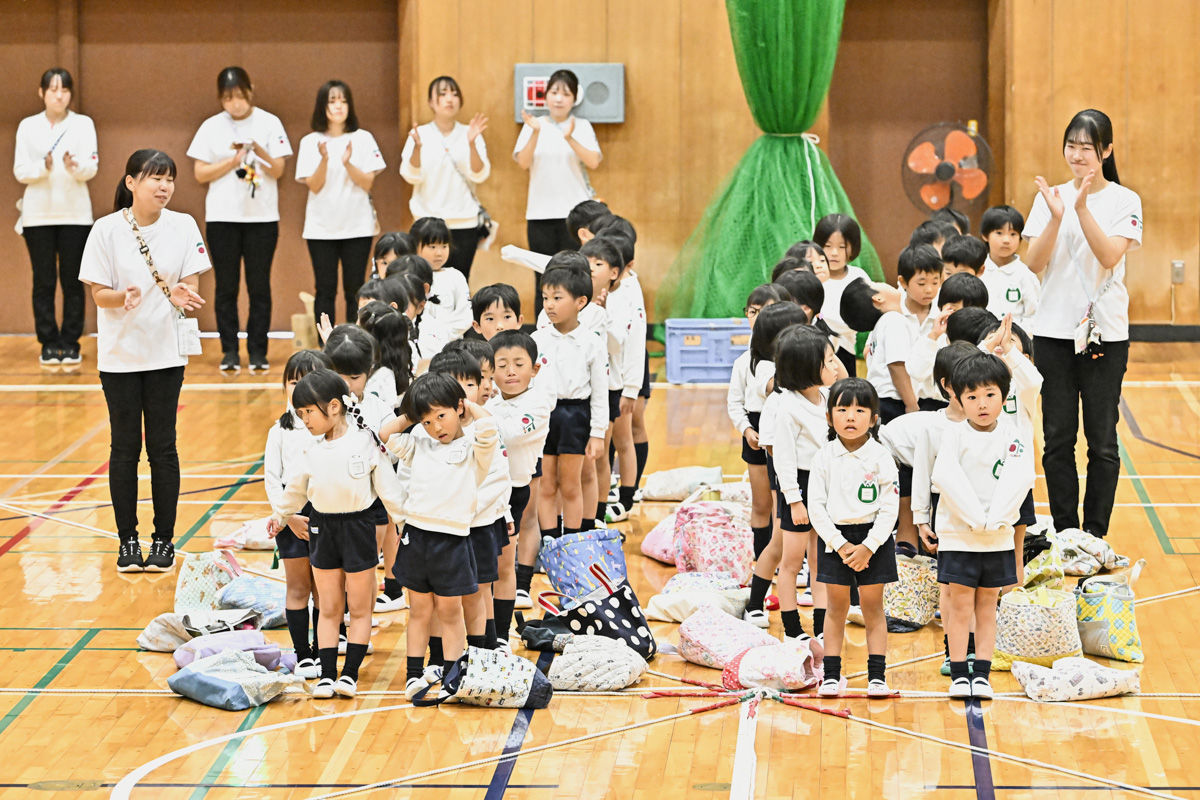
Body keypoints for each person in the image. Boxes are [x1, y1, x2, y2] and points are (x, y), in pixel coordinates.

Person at [79, 149, 208, 573]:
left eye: (169, 178)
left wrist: (183, 292)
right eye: (155, 178)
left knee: (163, 447)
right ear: (131, 182)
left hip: (166, 353)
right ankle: (128, 541)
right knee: (124, 448)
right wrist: (123, 297)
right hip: (119, 356)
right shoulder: (106, 229)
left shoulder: (183, 225)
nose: (164, 186)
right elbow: (99, 294)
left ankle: (164, 540)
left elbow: (190, 280)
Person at [1025, 109, 1141, 539]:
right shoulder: (1049, 197)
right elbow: (1033, 263)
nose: (1076, 155)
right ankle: (1065, 532)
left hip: (1104, 335)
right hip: (1052, 333)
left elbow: (1109, 256)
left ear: (1106, 151)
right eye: (1070, 146)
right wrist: (1057, 217)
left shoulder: (1125, 200)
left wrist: (1081, 210)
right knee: (1057, 438)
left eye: (1086, 148)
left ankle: (1093, 534)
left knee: (1102, 440)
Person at [266, 369, 406, 699]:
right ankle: (328, 676)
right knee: (329, 607)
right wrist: (279, 516)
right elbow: (295, 489)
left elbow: (389, 490)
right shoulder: (310, 449)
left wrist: (405, 523)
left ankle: (349, 675)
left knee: (358, 608)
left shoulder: (365, 442)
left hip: (359, 529)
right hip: (323, 529)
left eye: (308, 412)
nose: (304, 420)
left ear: (333, 406)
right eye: (299, 413)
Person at [931, 351, 1035, 699]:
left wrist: (996, 521)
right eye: (972, 397)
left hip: (998, 538)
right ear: (959, 399)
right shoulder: (954, 436)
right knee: (961, 607)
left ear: (1004, 396)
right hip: (960, 537)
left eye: (990, 394)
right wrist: (977, 519)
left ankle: (982, 675)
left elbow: (1020, 479)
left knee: (988, 607)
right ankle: (960, 673)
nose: (982, 403)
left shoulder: (1013, 436)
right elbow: (946, 478)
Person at [390, 373, 498, 702]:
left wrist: (468, 406)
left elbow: (489, 427)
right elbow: (385, 434)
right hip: (416, 538)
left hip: (452, 542)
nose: (436, 427)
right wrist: (412, 414)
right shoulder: (419, 444)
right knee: (419, 611)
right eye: (427, 421)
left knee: (451, 613)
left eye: (441, 415)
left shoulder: (473, 448)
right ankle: (413, 675)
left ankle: (452, 678)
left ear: (458, 408)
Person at [188, 67, 292, 373]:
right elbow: (200, 173)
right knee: (226, 287)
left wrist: (258, 150)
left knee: (259, 287)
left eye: (239, 96)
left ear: (251, 90)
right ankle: (230, 351)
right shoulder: (211, 126)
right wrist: (232, 161)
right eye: (227, 97)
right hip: (222, 218)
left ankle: (258, 352)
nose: (235, 103)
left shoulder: (269, 122)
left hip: (262, 219)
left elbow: (278, 170)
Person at [808, 377, 899, 697]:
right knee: (836, 608)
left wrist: (869, 547)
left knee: (873, 608)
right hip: (836, 541)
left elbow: (890, 508)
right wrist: (841, 544)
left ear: (874, 419)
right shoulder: (823, 457)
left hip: (874, 540)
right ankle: (831, 676)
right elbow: (815, 508)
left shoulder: (881, 457)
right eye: (842, 409)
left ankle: (877, 677)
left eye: (860, 410)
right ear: (829, 416)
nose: (850, 416)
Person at [14, 67, 98, 366]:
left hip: (75, 214)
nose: (59, 95)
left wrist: (75, 167)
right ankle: (49, 343)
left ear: (70, 94)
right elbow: (20, 172)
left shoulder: (83, 124)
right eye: (53, 89)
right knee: (44, 281)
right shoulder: (27, 126)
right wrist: (44, 167)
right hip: (37, 216)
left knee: (73, 281)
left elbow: (92, 168)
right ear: (42, 93)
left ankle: (71, 342)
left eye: (64, 90)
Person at [770, 325, 842, 643]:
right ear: (808, 368)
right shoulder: (788, 408)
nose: (835, 366)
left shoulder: (828, 397)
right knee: (791, 562)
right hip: (799, 485)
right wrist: (795, 501)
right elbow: (784, 461)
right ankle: (792, 629)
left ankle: (823, 626)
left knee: (820, 560)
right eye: (829, 361)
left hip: (825, 484)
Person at [264, 350, 333, 680]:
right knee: (297, 588)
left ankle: (322, 651)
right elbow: (271, 479)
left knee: (324, 590)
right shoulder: (279, 431)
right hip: (290, 517)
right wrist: (287, 516)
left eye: (309, 380)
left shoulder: (331, 429)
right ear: (284, 386)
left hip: (327, 514)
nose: (300, 388)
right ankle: (303, 655)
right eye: (293, 381)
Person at [296, 80, 386, 328]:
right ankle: (326, 343)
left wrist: (347, 163)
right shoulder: (310, 141)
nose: (339, 106)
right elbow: (314, 185)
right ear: (322, 106)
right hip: (321, 228)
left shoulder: (363, 138)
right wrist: (325, 159)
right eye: (333, 101)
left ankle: (355, 341)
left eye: (343, 101)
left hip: (357, 226)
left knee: (355, 288)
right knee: (324, 289)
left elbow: (367, 182)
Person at [514, 69, 602, 316]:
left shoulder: (582, 125)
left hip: (575, 218)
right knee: (543, 279)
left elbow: (594, 161)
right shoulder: (534, 125)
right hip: (539, 214)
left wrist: (570, 137)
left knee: (577, 277)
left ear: (574, 98)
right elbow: (523, 162)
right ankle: (543, 332)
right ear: (546, 96)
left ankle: (576, 328)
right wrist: (534, 132)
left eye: (566, 93)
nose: (559, 98)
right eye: (554, 92)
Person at [531, 262, 607, 536]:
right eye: (545, 298)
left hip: (576, 416)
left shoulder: (592, 342)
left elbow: (600, 392)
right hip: (544, 416)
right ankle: (550, 541)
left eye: (557, 298)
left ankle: (573, 542)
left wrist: (597, 433)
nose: (549, 305)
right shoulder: (536, 339)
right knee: (547, 484)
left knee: (571, 485)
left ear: (580, 302)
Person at [488, 330, 552, 626]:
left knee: (503, 565)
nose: (510, 372)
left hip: (513, 492)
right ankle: (481, 631)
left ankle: (501, 632)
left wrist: (477, 411)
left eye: (518, 364)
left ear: (534, 369)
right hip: (484, 489)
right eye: (501, 365)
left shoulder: (538, 404)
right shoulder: (488, 402)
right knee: (483, 566)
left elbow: (510, 435)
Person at [401, 76, 491, 282]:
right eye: (442, 94)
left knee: (460, 280)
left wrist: (472, 144)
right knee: (425, 280)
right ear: (431, 102)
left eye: (454, 94)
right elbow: (411, 175)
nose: (450, 99)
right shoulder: (420, 134)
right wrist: (417, 148)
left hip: (464, 221)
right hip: (427, 220)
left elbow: (480, 174)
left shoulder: (470, 132)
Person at [842, 279, 918, 424]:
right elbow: (896, 365)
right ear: (878, 299)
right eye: (875, 283)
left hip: (880, 399)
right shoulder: (894, 320)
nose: (881, 282)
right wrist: (912, 404)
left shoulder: (880, 325)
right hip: (895, 402)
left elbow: (867, 353)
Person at [813, 214, 871, 377]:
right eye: (828, 246)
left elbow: (861, 320)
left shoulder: (858, 277)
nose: (834, 253)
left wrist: (822, 318)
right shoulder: (812, 277)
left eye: (842, 247)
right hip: (813, 353)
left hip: (846, 353)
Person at [412, 216, 472, 339]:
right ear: (415, 246)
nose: (439, 253)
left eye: (444, 246)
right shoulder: (408, 277)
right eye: (432, 247)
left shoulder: (455, 277)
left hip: (450, 345)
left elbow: (465, 317)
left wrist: (439, 336)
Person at [981, 205, 1039, 327]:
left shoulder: (1026, 275)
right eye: (999, 233)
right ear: (985, 235)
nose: (1006, 240)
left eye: (1013, 234)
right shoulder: (978, 270)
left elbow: (1033, 314)